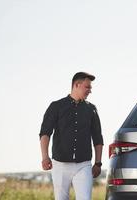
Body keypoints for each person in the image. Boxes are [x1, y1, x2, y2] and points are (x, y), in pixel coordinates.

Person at [39, 72, 104, 200]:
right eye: (87, 87)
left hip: (83, 165)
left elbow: (97, 137)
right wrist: (45, 157)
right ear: (76, 85)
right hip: (60, 165)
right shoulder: (56, 107)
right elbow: (45, 133)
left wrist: (98, 163)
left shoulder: (91, 109)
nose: (90, 91)